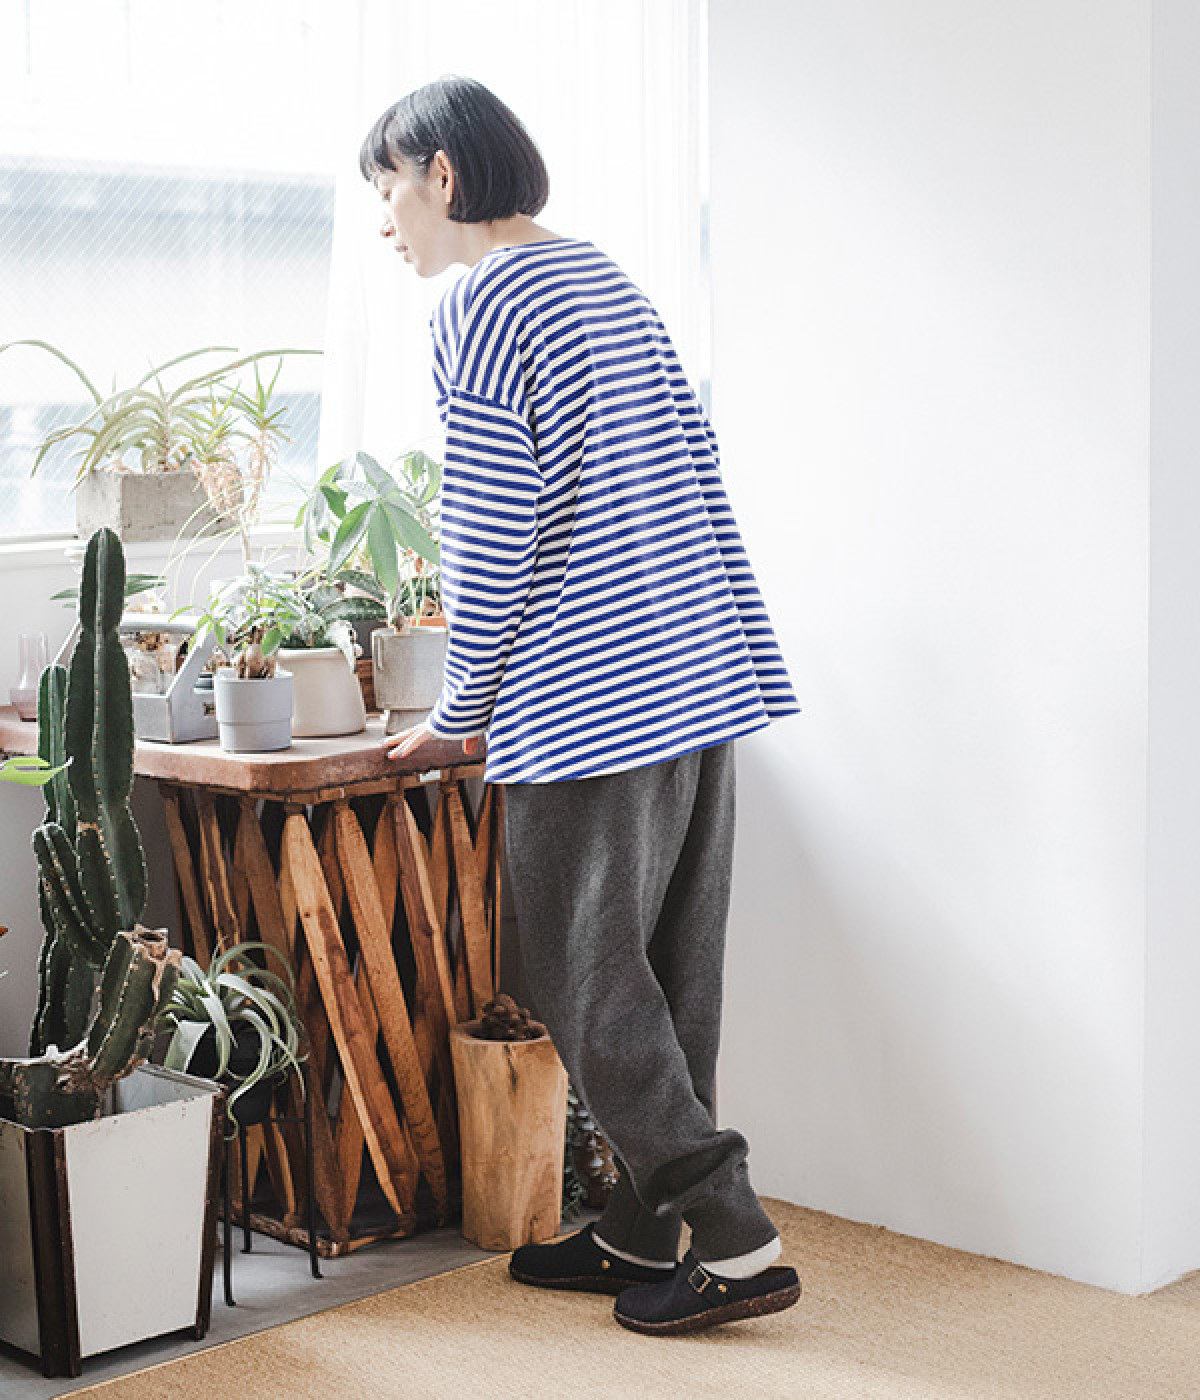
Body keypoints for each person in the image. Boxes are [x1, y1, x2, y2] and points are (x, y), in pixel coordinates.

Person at [363, 75, 802, 1336]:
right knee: (668, 977)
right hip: (698, 674)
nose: (385, 221)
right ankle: (640, 1229)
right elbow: (690, 474)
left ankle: (736, 1237)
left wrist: (462, 706)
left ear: (443, 175)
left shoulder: (482, 301)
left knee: (581, 973)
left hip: (592, 697)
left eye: (388, 188)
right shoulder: (608, 280)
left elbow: (492, 528)